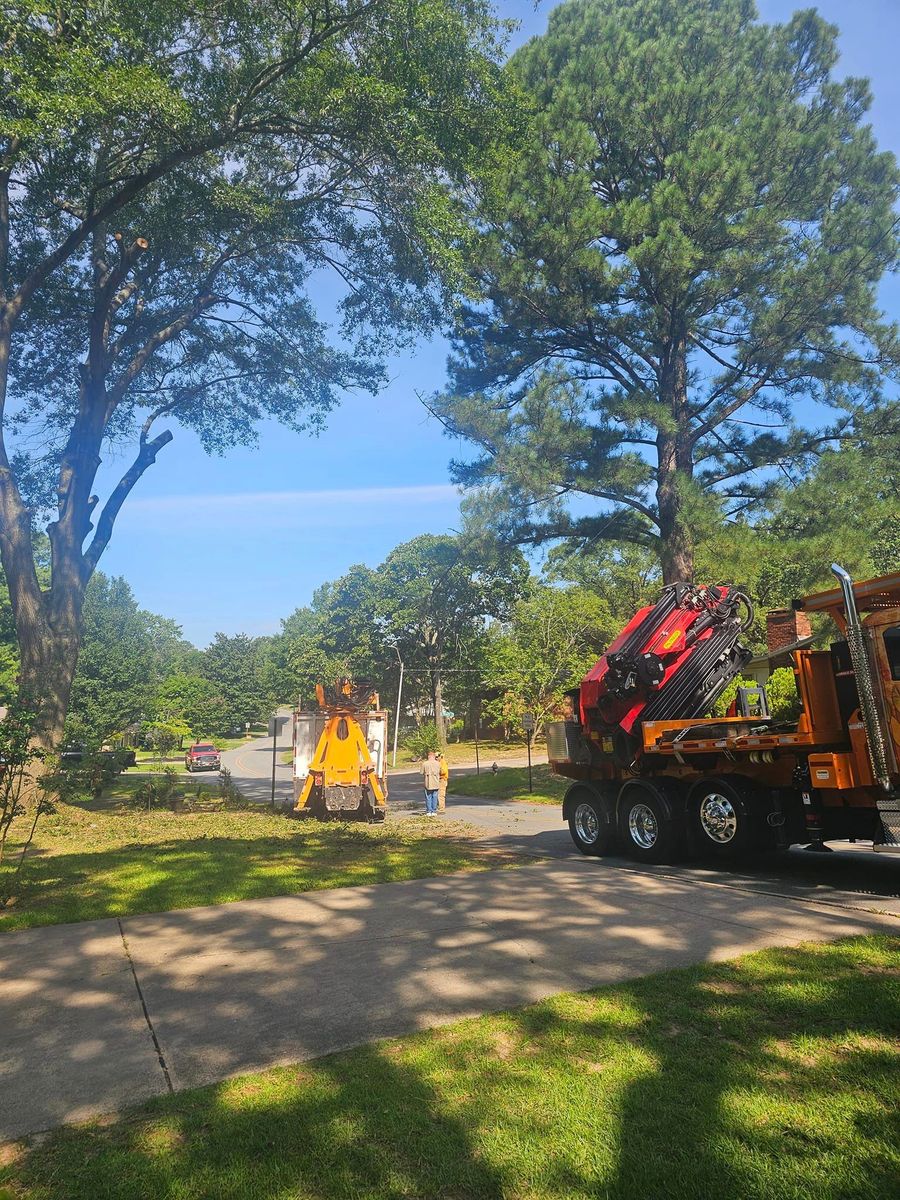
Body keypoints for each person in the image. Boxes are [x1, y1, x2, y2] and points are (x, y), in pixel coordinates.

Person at [422, 750, 441, 816]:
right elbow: (441, 772)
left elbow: (422, 772)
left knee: (428, 797)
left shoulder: (425, 763)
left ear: (429, 756)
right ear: (434, 756)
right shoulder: (438, 763)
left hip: (428, 782)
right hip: (436, 782)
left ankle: (429, 811)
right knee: (435, 796)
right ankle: (434, 811)